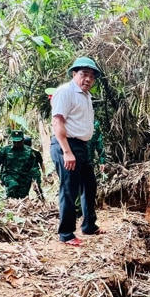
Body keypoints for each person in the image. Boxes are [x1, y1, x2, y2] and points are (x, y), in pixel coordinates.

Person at [51, 56, 102, 245]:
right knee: (69, 188)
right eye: (84, 74)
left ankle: (89, 224)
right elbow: (57, 121)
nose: (88, 79)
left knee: (89, 185)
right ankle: (66, 233)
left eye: (91, 76)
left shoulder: (86, 96)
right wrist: (66, 151)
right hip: (66, 144)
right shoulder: (66, 92)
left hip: (81, 146)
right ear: (74, 74)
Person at [0, 129, 43, 199]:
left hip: (24, 178)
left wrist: (36, 181)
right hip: (9, 175)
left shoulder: (30, 152)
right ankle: (9, 203)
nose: (16, 143)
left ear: (23, 140)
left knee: (22, 198)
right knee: (13, 186)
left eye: (18, 141)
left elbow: (34, 168)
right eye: (15, 141)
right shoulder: (5, 150)